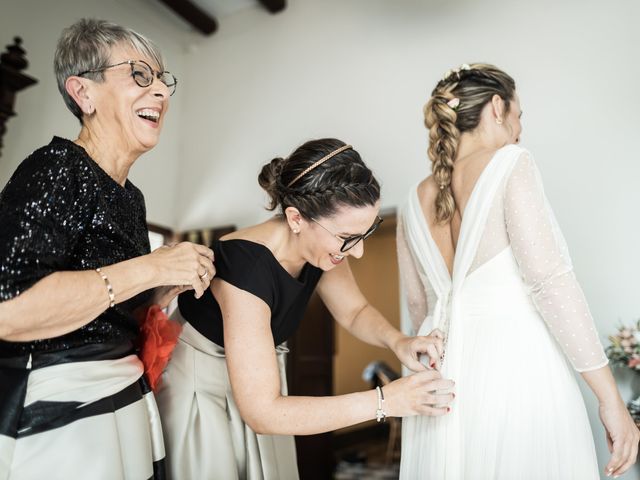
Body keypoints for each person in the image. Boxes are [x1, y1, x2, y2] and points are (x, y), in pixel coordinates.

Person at [156, 138, 455, 479]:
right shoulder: (245, 270)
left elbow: (354, 311)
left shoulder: (320, 248)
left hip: (260, 389)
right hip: (204, 395)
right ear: (296, 218)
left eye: (365, 234)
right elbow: (263, 413)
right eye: (346, 238)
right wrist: (386, 401)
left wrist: (398, 341)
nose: (356, 253)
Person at [397, 63, 639, 479]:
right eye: (518, 115)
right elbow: (550, 281)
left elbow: (419, 310)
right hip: (512, 369)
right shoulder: (511, 162)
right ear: (497, 107)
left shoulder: (411, 201)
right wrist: (609, 399)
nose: (520, 129)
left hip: (441, 383)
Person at [0, 19, 215, 479]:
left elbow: (106, 311)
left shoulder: (130, 198)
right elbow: (10, 310)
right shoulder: (57, 168)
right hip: (61, 423)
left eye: (162, 80)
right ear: (84, 93)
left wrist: (163, 288)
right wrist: (151, 266)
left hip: (123, 404)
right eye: (140, 75)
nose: (160, 92)